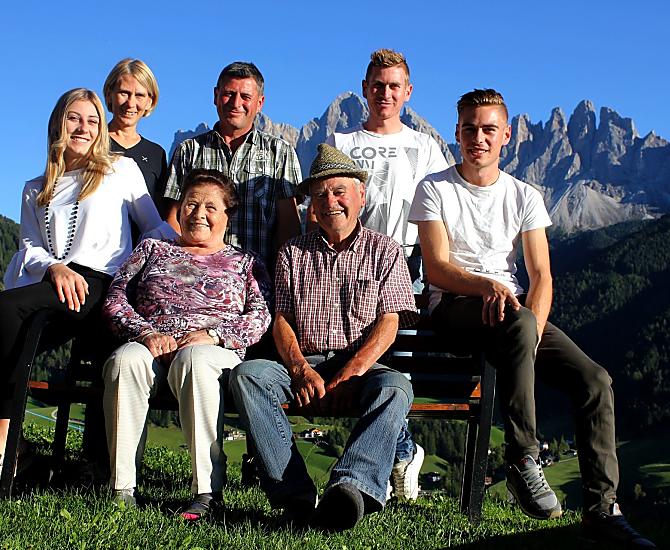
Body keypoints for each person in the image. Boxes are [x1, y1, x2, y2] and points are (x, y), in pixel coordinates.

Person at [409, 88, 656, 549]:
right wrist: (487, 288)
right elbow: (437, 268)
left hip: (514, 312)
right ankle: (523, 456)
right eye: (469, 129)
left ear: (507, 135)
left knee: (595, 381)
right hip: (455, 306)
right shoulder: (434, 188)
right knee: (517, 320)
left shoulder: (525, 195)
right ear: (456, 132)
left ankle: (603, 510)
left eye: (488, 130)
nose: (478, 138)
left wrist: (533, 332)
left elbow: (542, 275)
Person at [229, 144, 419, 531]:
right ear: (311, 206)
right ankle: (295, 496)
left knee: (396, 388)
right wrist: (299, 369)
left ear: (361, 195)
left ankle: (350, 489)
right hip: (305, 364)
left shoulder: (385, 250)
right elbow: (281, 319)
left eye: (339, 191)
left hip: (363, 366)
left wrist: (355, 369)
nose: (330, 202)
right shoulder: (292, 252)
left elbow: (390, 320)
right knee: (248, 376)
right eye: (320, 195)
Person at [0, 88, 174, 473]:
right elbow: (29, 244)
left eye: (92, 121)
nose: (83, 128)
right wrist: (54, 267)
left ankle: (5, 439)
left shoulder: (120, 170)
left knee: (6, 308)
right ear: (58, 124)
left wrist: (196, 253)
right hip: (56, 284)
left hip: (103, 284)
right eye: (74, 118)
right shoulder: (35, 187)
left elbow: (154, 228)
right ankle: (17, 449)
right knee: (11, 326)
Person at [101, 169, 271, 519]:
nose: (198, 214)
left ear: (227, 215)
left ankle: (207, 493)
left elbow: (260, 315)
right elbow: (116, 298)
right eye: (191, 204)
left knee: (195, 359)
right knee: (124, 361)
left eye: (211, 207)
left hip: (213, 352)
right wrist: (145, 333)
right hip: (151, 343)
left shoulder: (245, 262)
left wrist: (215, 335)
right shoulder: (152, 249)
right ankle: (121, 488)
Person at [326, 48, 449, 501]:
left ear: (408, 92)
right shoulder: (342, 142)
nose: (385, 93)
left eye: (394, 86)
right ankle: (402, 453)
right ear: (365, 88)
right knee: (359, 364)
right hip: (350, 267)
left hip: (406, 266)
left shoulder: (425, 147)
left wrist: (434, 276)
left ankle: (379, 468)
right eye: (377, 85)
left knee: (397, 369)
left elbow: (441, 213)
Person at [162, 61, 302, 270]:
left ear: (260, 103)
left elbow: (288, 226)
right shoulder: (189, 150)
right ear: (216, 95)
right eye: (229, 94)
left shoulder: (280, 152)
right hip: (196, 275)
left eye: (245, 97)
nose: (236, 103)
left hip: (257, 276)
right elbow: (173, 218)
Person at [103, 58, 167, 211]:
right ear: (110, 94)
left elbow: (160, 212)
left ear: (149, 101)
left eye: (139, 95)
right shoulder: (91, 144)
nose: (130, 103)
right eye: (124, 93)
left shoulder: (156, 154)